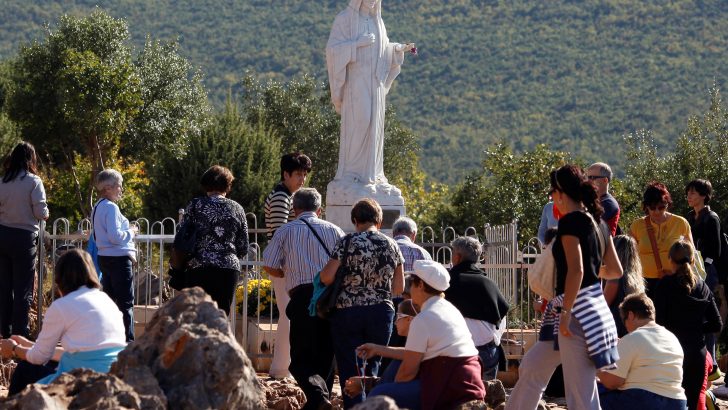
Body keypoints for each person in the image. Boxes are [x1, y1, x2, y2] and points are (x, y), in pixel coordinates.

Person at [507, 164, 623, 410]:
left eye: (552, 192)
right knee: (533, 366)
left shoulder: (570, 222)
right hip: (590, 309)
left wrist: (566, 312)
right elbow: (615, 271)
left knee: (581, 393)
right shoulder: (599, 222)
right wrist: (592, 274)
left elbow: (576, 270)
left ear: (559, 193)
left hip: (574, 313)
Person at [358, 260, 485, 409]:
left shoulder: (424, 318)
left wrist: (389, 389)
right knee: (396, 366)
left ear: (421, 285)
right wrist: (378, 349)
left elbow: (407, 372)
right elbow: (413, 354)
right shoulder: (448, 308)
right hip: (462, 381)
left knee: (379, 394)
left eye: (412, 284)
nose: (409, 289)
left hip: (450, 388)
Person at [0, 249, 126, 395]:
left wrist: (14, 349)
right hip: (113, 376)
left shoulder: (62, 306)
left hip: (84, 379)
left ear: (60, 278)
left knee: (25, 370)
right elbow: (84, 352)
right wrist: (30, 345)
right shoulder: (106, 300)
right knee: (51, 362)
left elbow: (39, 357)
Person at [263, 188, 344, 409]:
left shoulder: (286, 231)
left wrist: (284, 273)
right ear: (319, 209)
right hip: (330, 297)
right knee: (326, 354)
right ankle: (320, 399)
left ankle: (318, 397)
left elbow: (269, 263)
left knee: (300, 358)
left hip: (303, 296)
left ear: (294, 209)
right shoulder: (335, 230)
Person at [320, 198, 405, 408]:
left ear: (355, 219)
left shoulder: (348, 242)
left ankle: (355, 406)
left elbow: (326, 277)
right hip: (381, 312)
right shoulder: (391, 244)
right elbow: (399, 287)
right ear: (379, 219)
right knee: (373, 363)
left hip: (348, 311)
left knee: (350, 365)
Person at [326, 0, 414, 192]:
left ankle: (372, 175)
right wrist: (356, 44)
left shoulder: (378, 22)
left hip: (375, 83)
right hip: (356, 82)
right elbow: (332, 51)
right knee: (362, 121)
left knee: (375, 125)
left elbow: (383, 49)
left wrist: (396, 49)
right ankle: (352, 174)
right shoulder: (345, 19)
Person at [653, 240, 722, 410]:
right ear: (693, 260)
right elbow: (716, 324)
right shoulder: (702, 287)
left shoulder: (664, 285)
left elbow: (657, 322)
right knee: (692, 402)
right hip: (696, 354)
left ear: (670, 259)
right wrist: (695, 328)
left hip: (670, 352)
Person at [264, 152, 312, 379]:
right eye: (298, 175)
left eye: (304, 175)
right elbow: (279, 233)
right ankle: (282, 367)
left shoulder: (284, 196)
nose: (302, 180)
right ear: (286, 174)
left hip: (285, 265)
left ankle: (282, 365)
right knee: (288, 315)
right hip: (284, 266)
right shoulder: (281, 198)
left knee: (288, 315)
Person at [597, 293, 688, 410]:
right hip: (677, 402)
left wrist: (597, 368)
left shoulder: (632, 338)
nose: (626, 327)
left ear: (630, 315)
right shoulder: (672, 337)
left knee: (593, 393)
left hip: (644, 400)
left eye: (624, 321)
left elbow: (613, 382)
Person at [178, 165, 248, 315]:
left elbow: (182, 234)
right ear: (228, 185)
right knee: (220, 317)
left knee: (196, 317)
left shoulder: (196, 205)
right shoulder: (237, 208)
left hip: (199, 266)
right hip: (228, 269)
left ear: (206, 184)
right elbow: (243, 245)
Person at [0, 142, 49, 338]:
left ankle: (5, 332)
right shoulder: (33, 181)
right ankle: (20, 335)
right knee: (23, 289)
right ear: (31, 158)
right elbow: (40, 212)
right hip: (24, 237)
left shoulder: (2, 181)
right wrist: (45, 213)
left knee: (4, 288)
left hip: (2, 235)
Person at [445, 236, 509, 380]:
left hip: (457, 353)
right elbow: (502, 315)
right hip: (488, 351)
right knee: (485, 398)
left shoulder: (447, 282)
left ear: (457, 256)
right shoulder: (488, 283)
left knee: (460, 399)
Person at [343, 299, 421, 409]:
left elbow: (399, 381)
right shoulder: (412, 347)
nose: (395, 322)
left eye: (398, 317)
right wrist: (365, 382)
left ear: (409, 319)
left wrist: (366, 383)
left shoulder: (419, 346)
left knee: (379, 393)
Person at [93, 169, 137, 342]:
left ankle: (109, 339)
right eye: (119, 186)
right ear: (109, 188)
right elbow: (115, 237)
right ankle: (128, 342)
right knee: (126, 303)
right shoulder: (111, 207)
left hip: (104, 257)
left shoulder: (98, 206)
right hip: (118, 259)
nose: (121, 189)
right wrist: (132, 231)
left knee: (110, 302)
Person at [685, 178, 723, 381]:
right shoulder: (690, 217)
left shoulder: (711, 218)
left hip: (707, 273)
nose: (689, 196)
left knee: (706, 316)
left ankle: (712, 364)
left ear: (703, 195)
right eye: (688, 192)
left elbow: (715, 250)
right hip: (693, 271)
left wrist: (704, 269)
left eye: (693, 192)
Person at [630, 182, 693, 298]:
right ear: (646, 206)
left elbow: (690, 254)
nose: (657, 211)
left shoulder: (680, 223)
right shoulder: (637, 226)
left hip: (674, 281)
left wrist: (679, 273)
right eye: (652, 208)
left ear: (667, 204)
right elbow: (630, 256)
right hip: (644, 282)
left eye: (661, 207)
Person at [604, 235, 646, 337]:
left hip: (616, 328)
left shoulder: (615, 278)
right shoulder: (636, 277)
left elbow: (604, 305)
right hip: (631, 328)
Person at [587, 162, 620, 236]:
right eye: (587, 177)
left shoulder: (608, 203)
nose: (588, 181)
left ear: (605, 180)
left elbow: (588, 225)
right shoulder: (594, 200)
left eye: (592, 178)